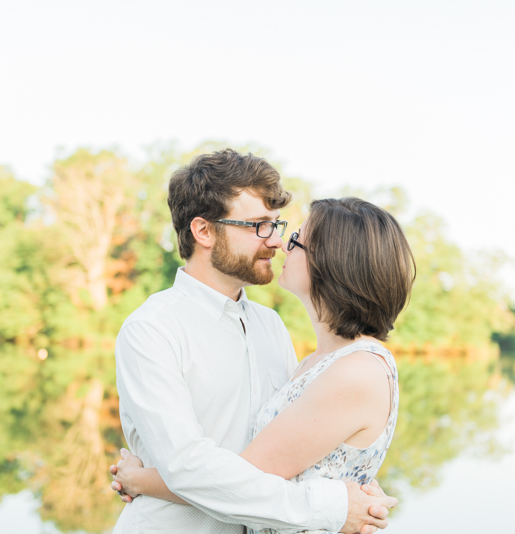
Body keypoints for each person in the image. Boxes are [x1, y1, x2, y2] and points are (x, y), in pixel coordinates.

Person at [111, 149, 406, 534]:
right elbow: (188, 467)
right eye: (258, 225)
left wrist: (354, 488)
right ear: (203, 231)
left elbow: (291, 454)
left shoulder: (270, 326)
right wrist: (333, 505)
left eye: (276, 225)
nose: (276, 242)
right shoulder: (152, 330)